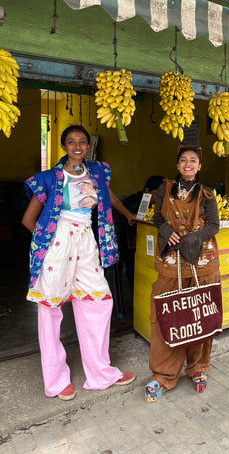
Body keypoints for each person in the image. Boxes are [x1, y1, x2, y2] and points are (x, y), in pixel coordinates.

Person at [22, 124, 137, 401]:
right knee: (50, 310)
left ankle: (100, 373)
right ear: (63, 146)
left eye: (82, 141)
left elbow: (107, 196)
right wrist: (48, 244)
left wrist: (127, 213)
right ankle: (56, 381)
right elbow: (28, 220)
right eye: (71, 141)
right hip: (57, 243)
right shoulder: (49, 178)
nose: (77, 146)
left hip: (86, 241)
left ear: (88, 146)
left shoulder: (97, 171)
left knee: (99, 300)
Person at [145, 145, 220, 402]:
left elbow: (214, 225)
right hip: (171, 263)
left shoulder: (208, 194)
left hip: (202, 263)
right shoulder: (163, 190)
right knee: (167, 316)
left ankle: (199, 368)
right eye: (184, 160)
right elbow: (157, 219)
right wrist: (167, 231)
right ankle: (163, 375)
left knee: (199, 315)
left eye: (193, 161)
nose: (188, 164)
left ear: (200, 167)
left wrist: (193, 237)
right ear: (177, 165)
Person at [118, 175, 164, 294]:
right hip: (129, 245)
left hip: (149, 245)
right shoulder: (133, 202)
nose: (160, 198)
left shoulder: (160, 204)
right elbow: (126, 225)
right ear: (147, 191)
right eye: (157, 194)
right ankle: (136, 292)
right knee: (133, 268)